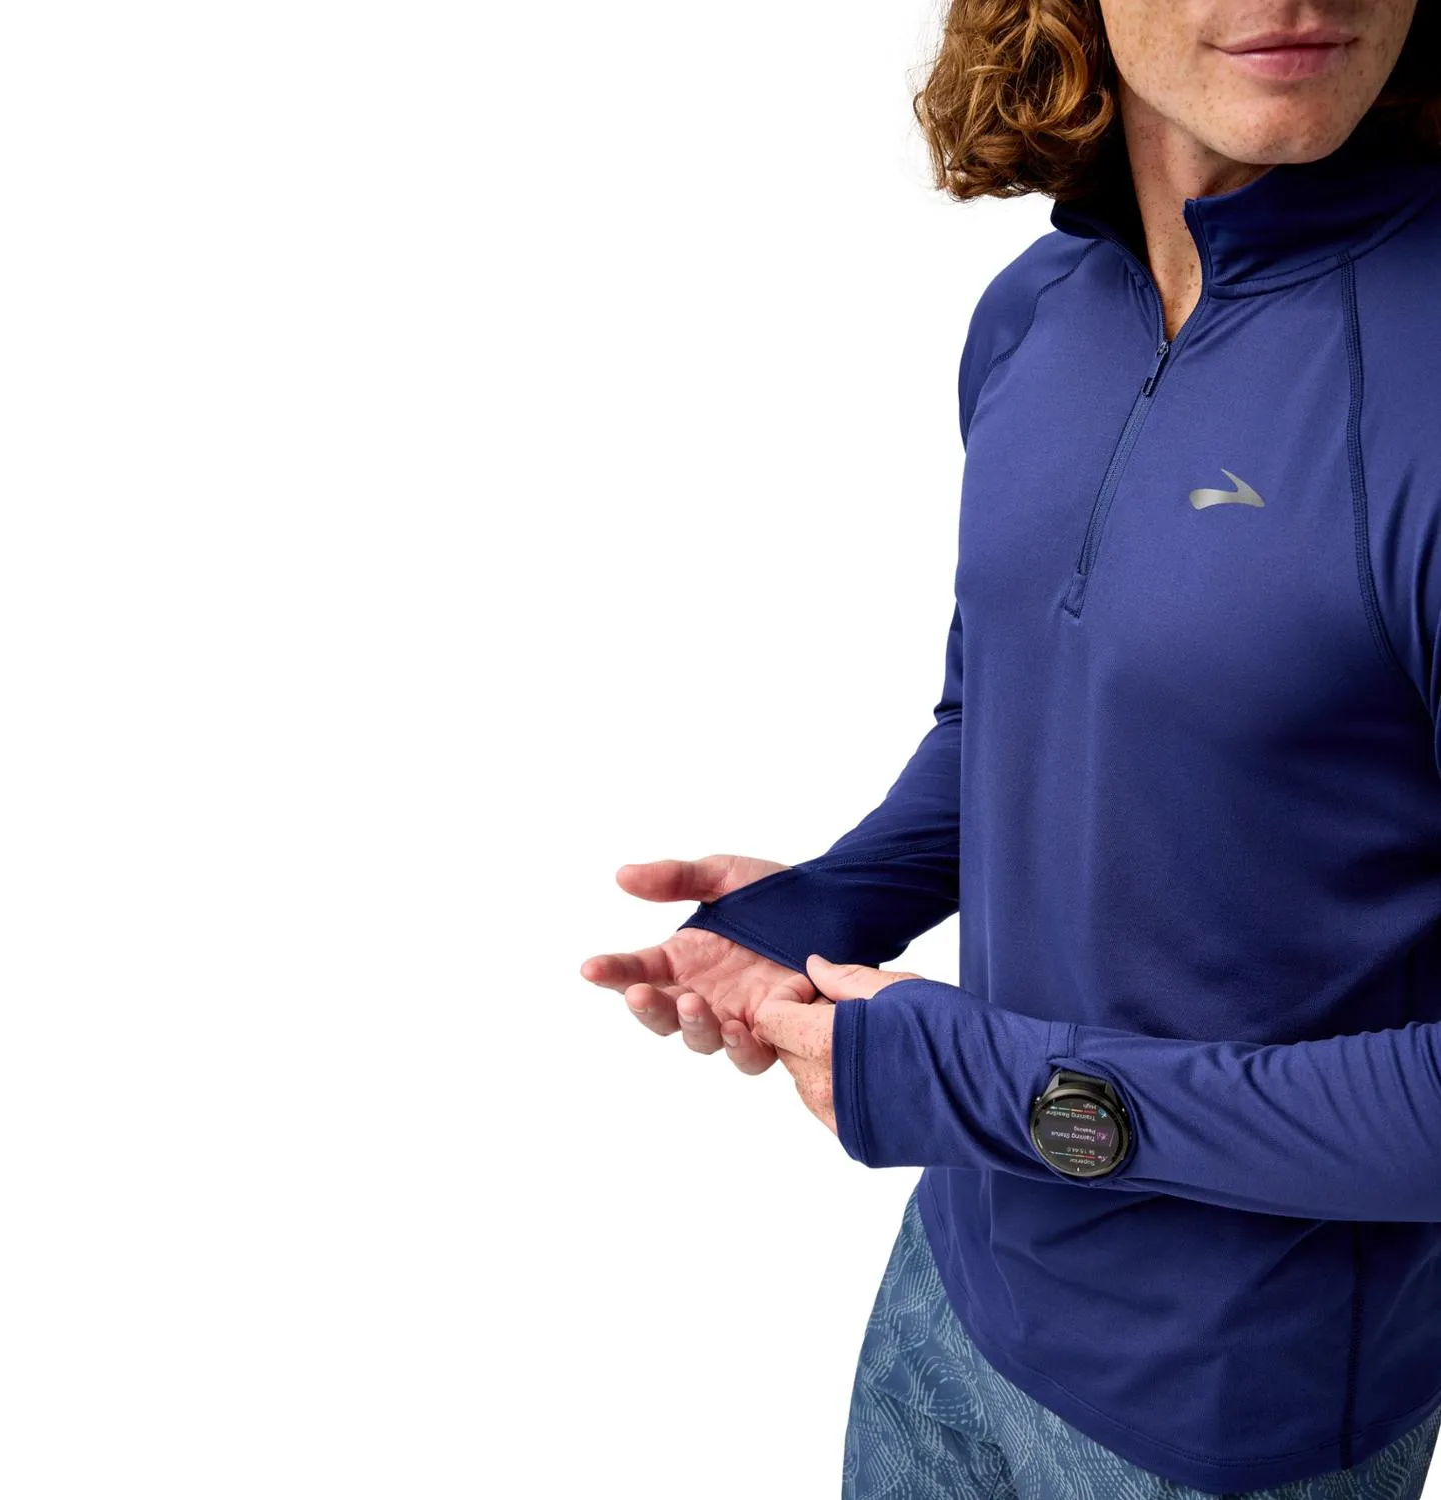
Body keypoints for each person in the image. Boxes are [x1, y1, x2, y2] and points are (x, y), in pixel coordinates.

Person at [582, 0, 1441, 1495]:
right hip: (959, 1281)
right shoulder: (1039, 311)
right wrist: (830, 904)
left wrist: (987, 1090)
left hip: (1234, 1413)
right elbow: (1014, 704)